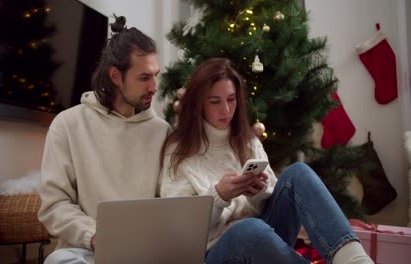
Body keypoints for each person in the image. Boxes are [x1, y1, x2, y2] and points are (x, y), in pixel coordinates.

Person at [160, 57, 373, 264]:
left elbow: (271, 202)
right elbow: (180, 229)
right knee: (248, 229)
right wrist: (219, 196)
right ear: (198, 104)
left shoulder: (248, 141)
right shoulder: (177, 151)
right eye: (215, 102)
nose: (226, 110)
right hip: (214, 252)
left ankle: (355, 260)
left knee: (298, 173)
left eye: (231, 99)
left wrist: (258, 192)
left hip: (263, 237)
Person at [38, 15, 170, 263]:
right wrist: (96, 235)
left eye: (156, 75)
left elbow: (172, 200)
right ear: (115, 76)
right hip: (86, 250)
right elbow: (53, 206)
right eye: (144, 77)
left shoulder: (162, 132)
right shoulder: (67, 124)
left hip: (146, 251)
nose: (154, 86)